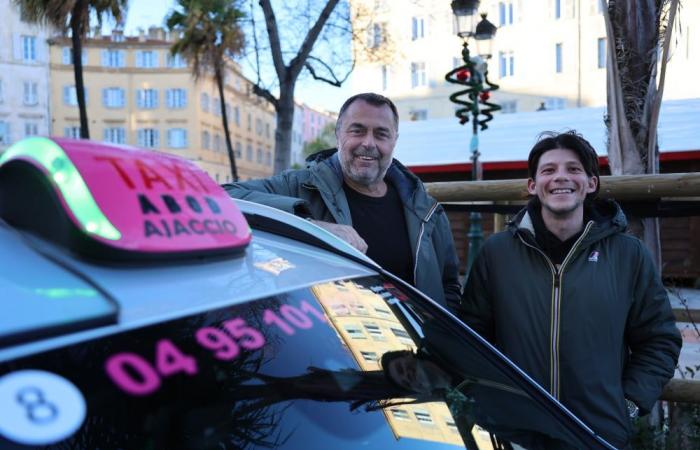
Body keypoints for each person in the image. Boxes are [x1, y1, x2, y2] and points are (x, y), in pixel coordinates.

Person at [459, 130, 681, 449]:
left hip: (598, 434)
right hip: (513, 432)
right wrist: (486, 402)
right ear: (533, 185)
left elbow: (659, 339)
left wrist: (629, 405)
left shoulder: (628, 255)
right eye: (549, 170)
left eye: (573, 169)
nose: (561, 177)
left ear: (591, 183)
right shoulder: (497, 254)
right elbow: (472, 337)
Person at [224, 93, 461, 308]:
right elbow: (220, 196)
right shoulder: (298, 187)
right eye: (357, 130)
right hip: (337, 346)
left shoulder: (425, 209)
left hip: (418, 350)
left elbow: (448, 287)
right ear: (338, 134)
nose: (368, 143)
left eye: (381, 134)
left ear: (394, 141)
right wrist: (312, 228)